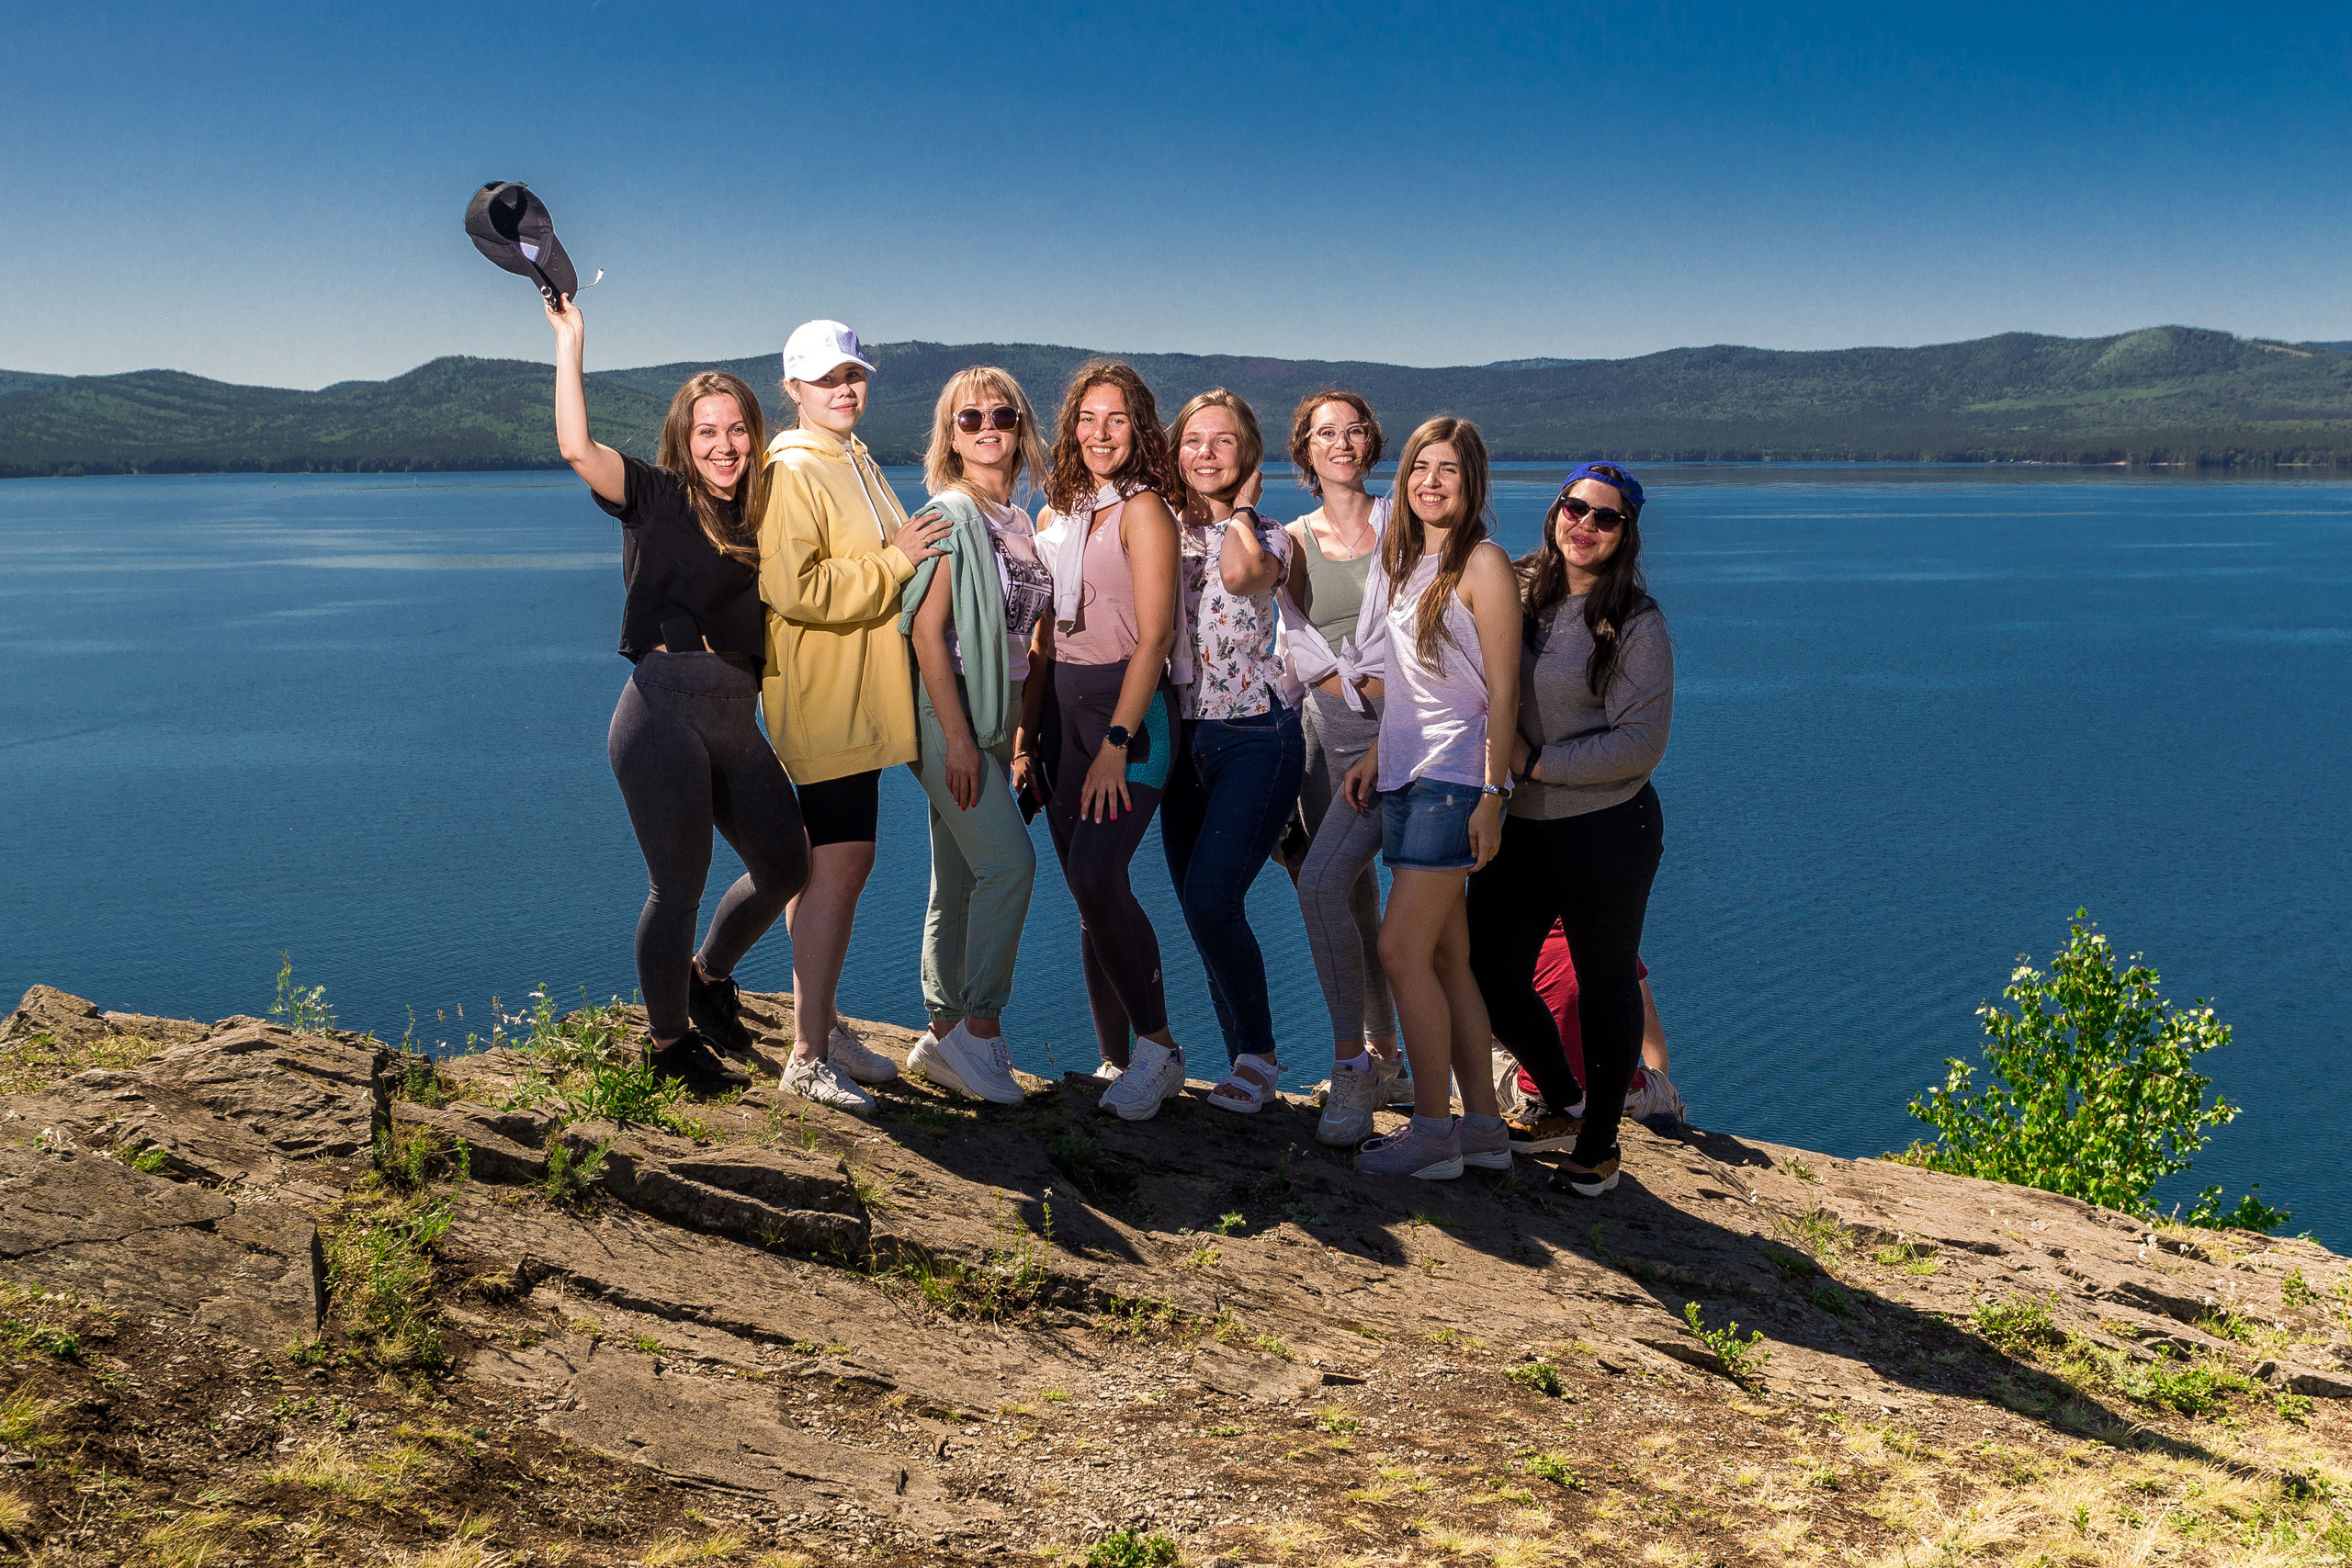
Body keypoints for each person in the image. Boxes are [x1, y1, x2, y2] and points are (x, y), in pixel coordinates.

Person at [543, 295, 807, 1089]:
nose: (724, 446)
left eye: (736, 431)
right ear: (683, 441)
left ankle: (708, 978)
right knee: (678, 883)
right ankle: (666, 1046)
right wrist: (571, 341)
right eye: (707, 432)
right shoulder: (653, 494)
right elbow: (576, 447)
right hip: (661, 715)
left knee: (787, 861)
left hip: (734, 712)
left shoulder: (768, 511)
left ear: (754, 436)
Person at [760, 320, 952, 1115]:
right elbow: (797, 588)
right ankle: (806, 1055)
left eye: (855, 375)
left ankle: (823, 1025)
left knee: (821, 871)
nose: (846, 388)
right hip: (825, 697)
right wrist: (898, 559)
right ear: (794, 389)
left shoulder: (851, 456)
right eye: (829, 378)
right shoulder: (791, 469)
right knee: (845, 865)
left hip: (857, 693)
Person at [1467, 462, 1671, 1197]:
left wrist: (1538, 763)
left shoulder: (1636, 622)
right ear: (1556, 511)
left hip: (1607, 829)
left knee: (1604, 980)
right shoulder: (1517, 587)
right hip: (1520, 824)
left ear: (1625, 535)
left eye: (1605, 517)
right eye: (1574, 507)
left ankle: (1600, 1142)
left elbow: (1641, 743)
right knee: (1488, 970)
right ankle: (1560, 1097)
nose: (1585, 524)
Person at [1343, 418, 1521, 1179]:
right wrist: (1379, 754)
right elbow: (1417, 688)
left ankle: (1431, 1130)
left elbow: (1504, 691)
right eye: (1421, 467)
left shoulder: (1483, 563)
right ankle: (1482, 1128)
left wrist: (1491, 793)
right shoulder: (1413, 562)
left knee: (1397, 949)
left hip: (1457, 780)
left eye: (1448, 469)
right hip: (1408, 775)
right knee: (1449, 956)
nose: (1431, 481)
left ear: (1470, 481)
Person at [1033, 361, 1187, 1122]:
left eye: (1116, 419)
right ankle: (1117, 1058)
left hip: (1129, 716)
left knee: (1099, 875)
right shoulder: (1062, 512)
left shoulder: (1144, 510)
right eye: (1088, 419)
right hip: (1063, 713)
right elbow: (1043, 636)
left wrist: (1118, 740)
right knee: (1086, 893)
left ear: (1139, 428)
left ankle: (1159, 1049)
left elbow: (1155, 637)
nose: (1100, 434)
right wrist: (1031, 734)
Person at [898, 367, 1055, 1104]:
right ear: (950, 435)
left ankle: (942, 1028)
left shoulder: (1018, 522)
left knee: (960, 872)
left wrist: (1017, 736)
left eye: (1003, 414)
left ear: (1021, 429)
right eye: (971, 418)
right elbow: (927, 634)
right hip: (949, 709)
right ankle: (982, 1030)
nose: (989, 426)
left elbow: (1027, 640)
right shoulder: (949, 515)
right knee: (1012, 863)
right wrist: (957, 739)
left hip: (998, 709)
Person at [1158, 390, 1306, 1112]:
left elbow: (1246, 577)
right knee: (1196, 905)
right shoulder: (1161, 530)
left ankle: (1260, 1053)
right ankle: (1240, 1063)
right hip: (1182, 739)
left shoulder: (1271, 535)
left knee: (1215, 896)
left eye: (1223, 442)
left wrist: (1240, 510)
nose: (1206, 453)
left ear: (1246, 457)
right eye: (1193, 440)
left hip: (1256, 737)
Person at [1277, 391, 1405, 1146]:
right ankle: (1386, 1058)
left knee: (1332, 887)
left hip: (1407, 738)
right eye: (1327, 432)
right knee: (1352, 896)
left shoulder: (1404, 524)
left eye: (1356, 428)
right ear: (1306, 449)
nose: (1343, 441)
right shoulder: (1290, 540)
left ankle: (1353, 1069)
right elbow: (1278, 638)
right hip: (1326, 734)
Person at [1496, 931, 1686, 1134]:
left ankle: (1480, 1126)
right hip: (1625, 1097)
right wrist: (1659, 1085)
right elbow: (1648, 1020)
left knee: (1481, 1035)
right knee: (1663, 1089)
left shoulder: (1521, 943)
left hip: (1540, 1098)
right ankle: (1657, 1118)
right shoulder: (1610, 937)